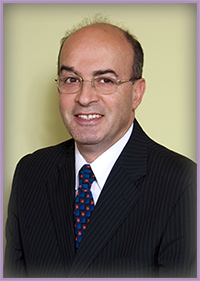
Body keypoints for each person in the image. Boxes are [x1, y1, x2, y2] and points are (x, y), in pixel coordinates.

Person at [4, 17, 197, 278]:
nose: (84, 98)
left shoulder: (182, 183)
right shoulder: (31, 172)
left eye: (105, 80)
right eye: (71, 79)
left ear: (137, 93)